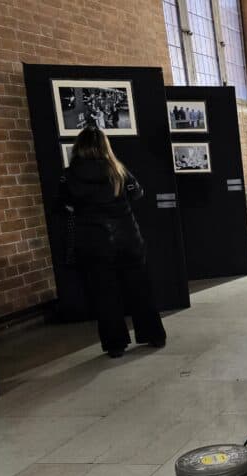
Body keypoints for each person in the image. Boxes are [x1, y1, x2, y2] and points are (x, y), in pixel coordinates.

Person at [59, 126, 166, 358]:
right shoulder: (118, 171)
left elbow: (64, 205)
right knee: (140, 290)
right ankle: (153, 334)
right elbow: (137, 194)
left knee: (104, 295)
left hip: (93, 242)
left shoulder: (69, 176)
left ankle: (115, 344)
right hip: (127, 238)